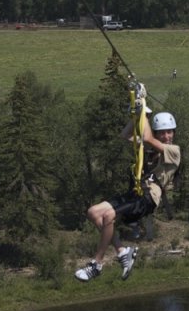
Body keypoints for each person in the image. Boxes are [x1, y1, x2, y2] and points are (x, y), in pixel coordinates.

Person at [75, 108, 180, 281]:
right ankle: (123, 252)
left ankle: (96, 263)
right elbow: (124, 135)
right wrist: (136, 116)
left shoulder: (174, 151)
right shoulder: (148, 150)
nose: (166, 136)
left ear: (174, 133)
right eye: (162, 133)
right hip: (135, 193)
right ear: (157, 133)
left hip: (148, 198)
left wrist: (145, 114)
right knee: (93, 212)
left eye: (169, 132)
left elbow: (146, 138)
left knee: (109, 216)